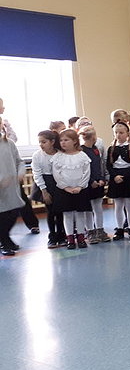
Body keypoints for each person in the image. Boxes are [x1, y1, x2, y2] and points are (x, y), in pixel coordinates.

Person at [0, 98, 39, 234]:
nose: (3, 108)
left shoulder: (5, 126)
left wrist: (18, 173)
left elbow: (13, 141)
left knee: (20, 199)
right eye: (1, 106)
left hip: (11, 175)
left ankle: (32, 224)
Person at [51, 129, 92, 249]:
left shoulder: (82, 155)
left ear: (74, 141)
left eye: (66, 140)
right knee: (68, 214)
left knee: (80, 214)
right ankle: (70, 239)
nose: (63, 143)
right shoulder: (58, 157)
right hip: (64, 190)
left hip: (80, 190)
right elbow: (56, 174)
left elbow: (86, 172)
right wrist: (66, 187)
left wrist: (80, 186)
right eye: (61, 140)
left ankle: (81, 238)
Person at [31, 130, 65, 248]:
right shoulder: (37, 155)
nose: (41, 144)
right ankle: (52, 237)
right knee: (51, 212)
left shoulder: (60, 154)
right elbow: (37, 174)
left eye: (44, 142)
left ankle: (62, 235)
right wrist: (44, 191)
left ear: (52, 142)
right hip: (46, 184)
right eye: (40, 142)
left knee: (60, 211)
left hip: (59, 184)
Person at [106, 121, 130, 240]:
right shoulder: (111, 149)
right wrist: (115, 176)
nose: (118, 135)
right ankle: (119, 229)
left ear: (127, 134)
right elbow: (109, 165)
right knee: (118, 205)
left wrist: (123, 176)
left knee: (129, 205)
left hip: (128, 178)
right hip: (115, 178)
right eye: (116, 133)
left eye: (121, 132)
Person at [79, 126, 111, 244]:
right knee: (88, 209)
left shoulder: (95, 149)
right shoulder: (81, 151)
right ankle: (90, 231)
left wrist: (102, 179)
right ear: (93, 137)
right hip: (88, 184)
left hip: (98, 183)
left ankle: (100, 230)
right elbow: (84, 169)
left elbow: (100, 166)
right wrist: (91, 181)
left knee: (98, 208)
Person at [0, 118, 25, 256]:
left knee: (13, 213)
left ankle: (5, 239)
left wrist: (20, 174)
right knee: (2, 216)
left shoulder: (9, 143)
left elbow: (19, 161)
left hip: (11, 187)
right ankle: (4, 242)